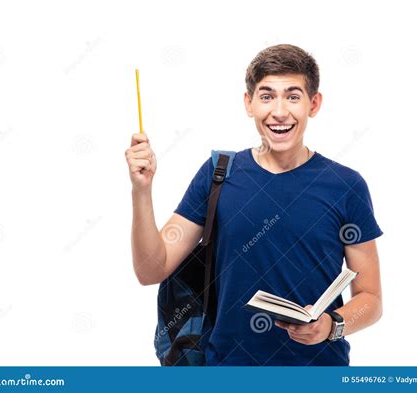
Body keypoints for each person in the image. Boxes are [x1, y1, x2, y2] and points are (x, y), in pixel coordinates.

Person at [125, 44, 383, 366]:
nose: (279, 111)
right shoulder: (218, 175)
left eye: (292, 96)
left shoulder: (346, 186)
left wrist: (332, 326)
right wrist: (142, 191)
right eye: (266, 96)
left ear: (313, 104)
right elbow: (151, 269)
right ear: (249, 103)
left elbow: (370, 299)